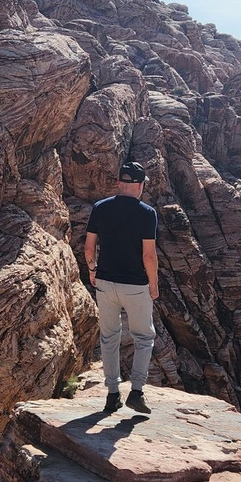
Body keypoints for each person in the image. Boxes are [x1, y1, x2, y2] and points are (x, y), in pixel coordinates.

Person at [84, 161, 158, 414]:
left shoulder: (100, 208)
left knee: (109, 337)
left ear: (119, 183)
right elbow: (149, 256)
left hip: (105, 282)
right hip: (136, 285)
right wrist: (154, 285)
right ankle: (136, 392)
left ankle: (112, 394)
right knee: (144, 338)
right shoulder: (147, 213)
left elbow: (88, 247)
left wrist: (93, 271)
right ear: (140, 186)